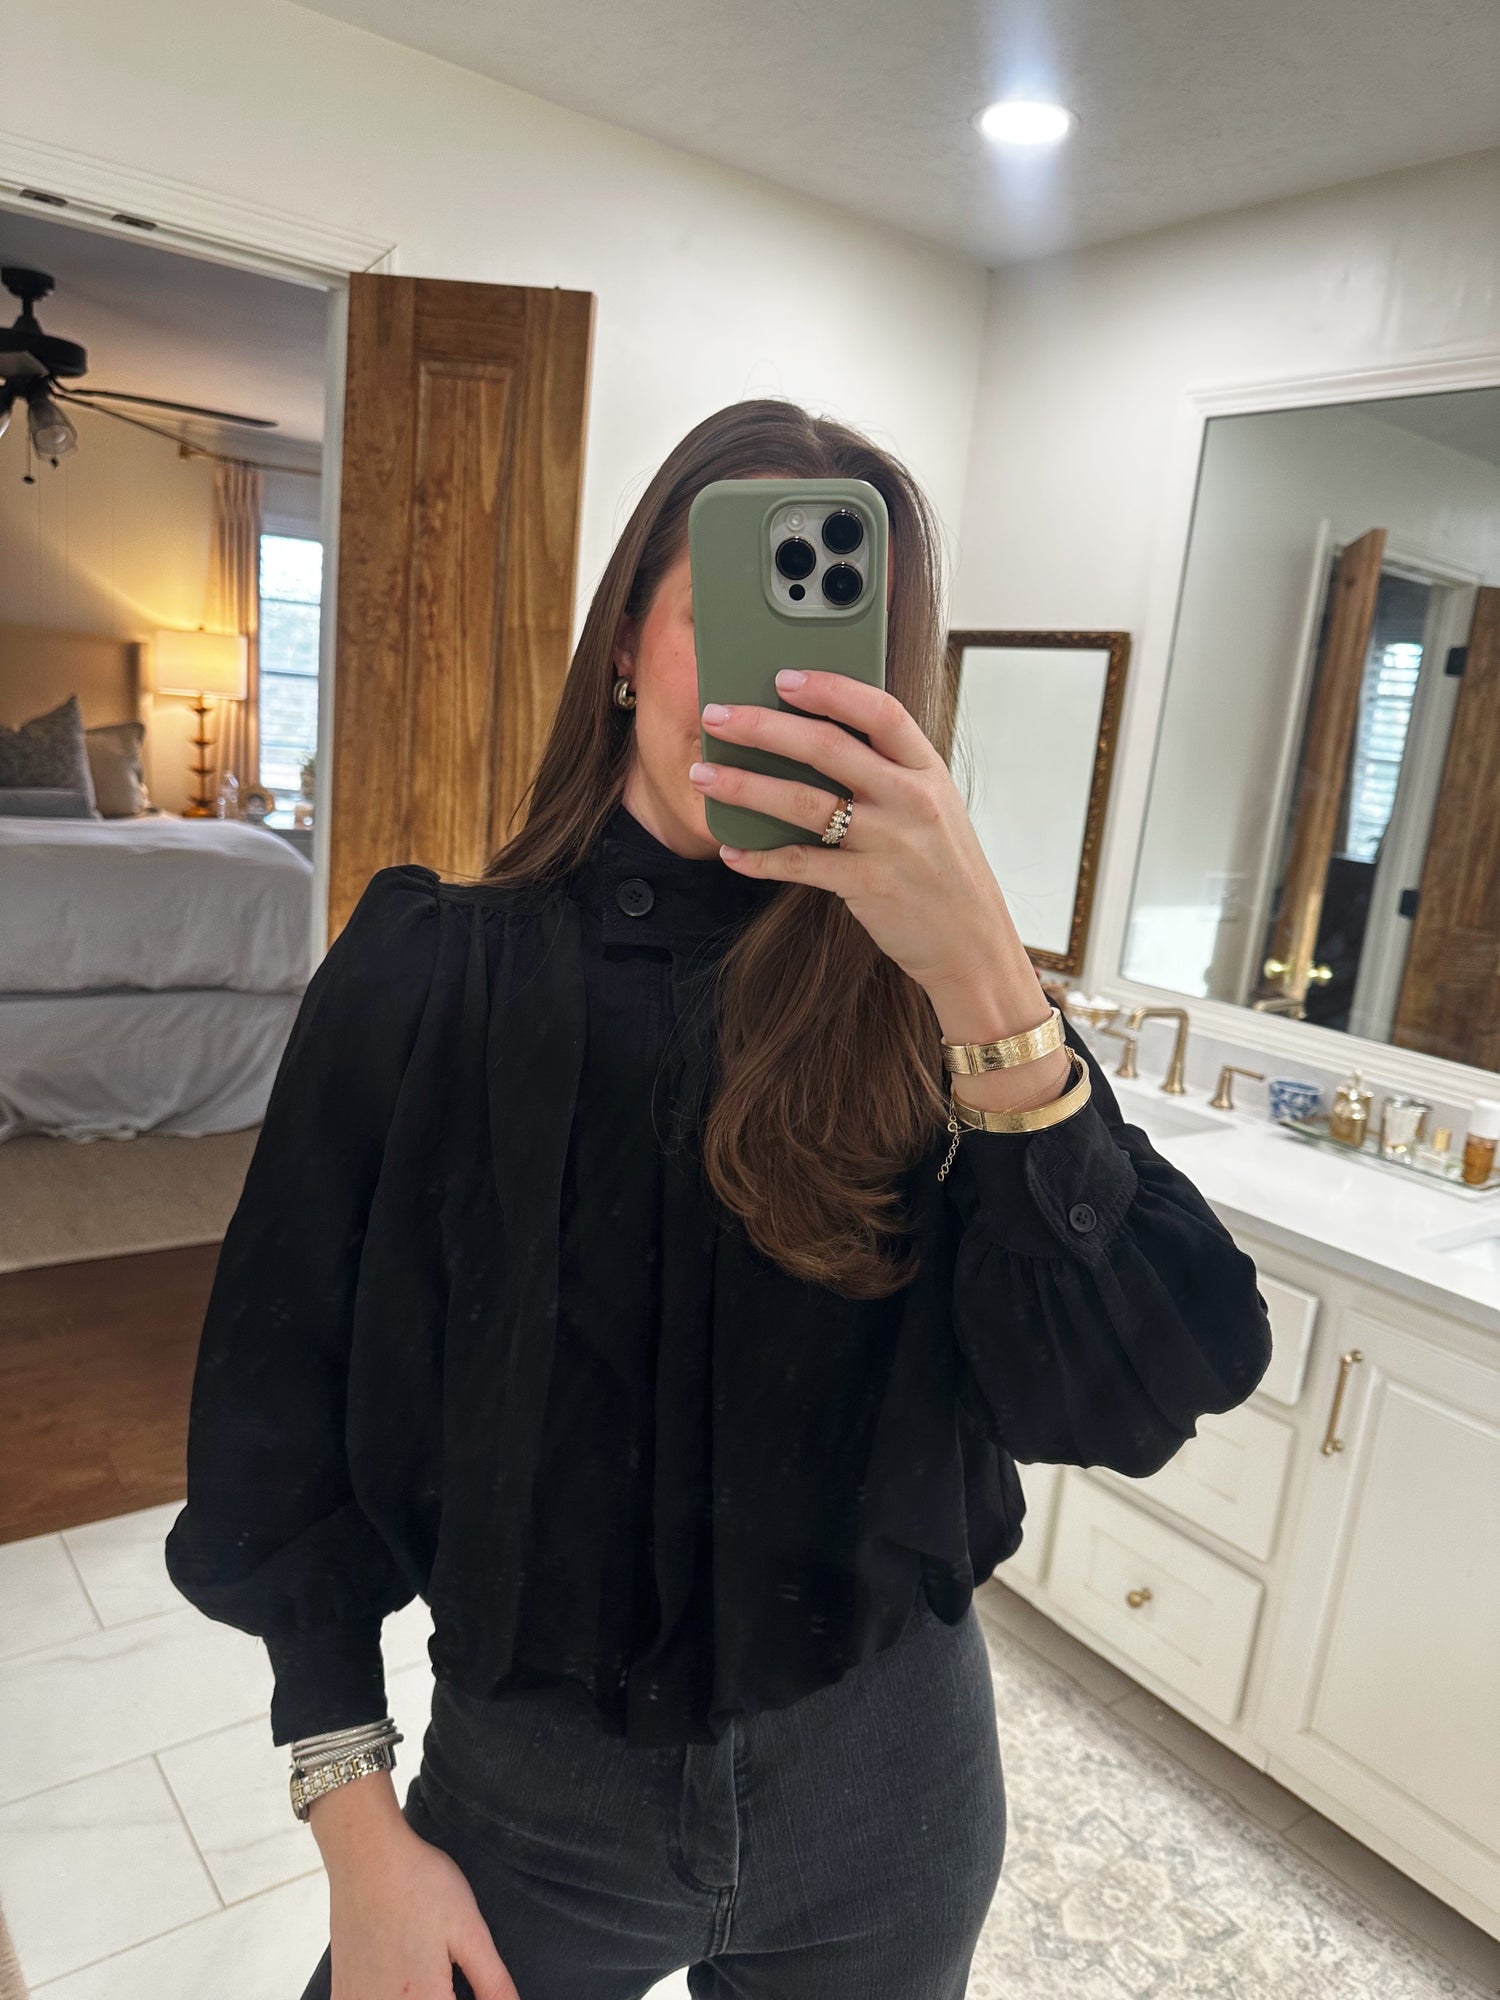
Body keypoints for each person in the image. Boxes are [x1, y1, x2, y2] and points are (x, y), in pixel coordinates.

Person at [164, 398, 1273, 2000]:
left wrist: (983, 970)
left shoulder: (942, 1016)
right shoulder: (429, 979)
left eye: (842, 653)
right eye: (739, 626)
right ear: (626, 640)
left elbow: (1135, 1393)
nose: (790, 694)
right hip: (532, 1800)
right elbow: (275, 1415)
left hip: (893, 1785)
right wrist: (353, 1820)